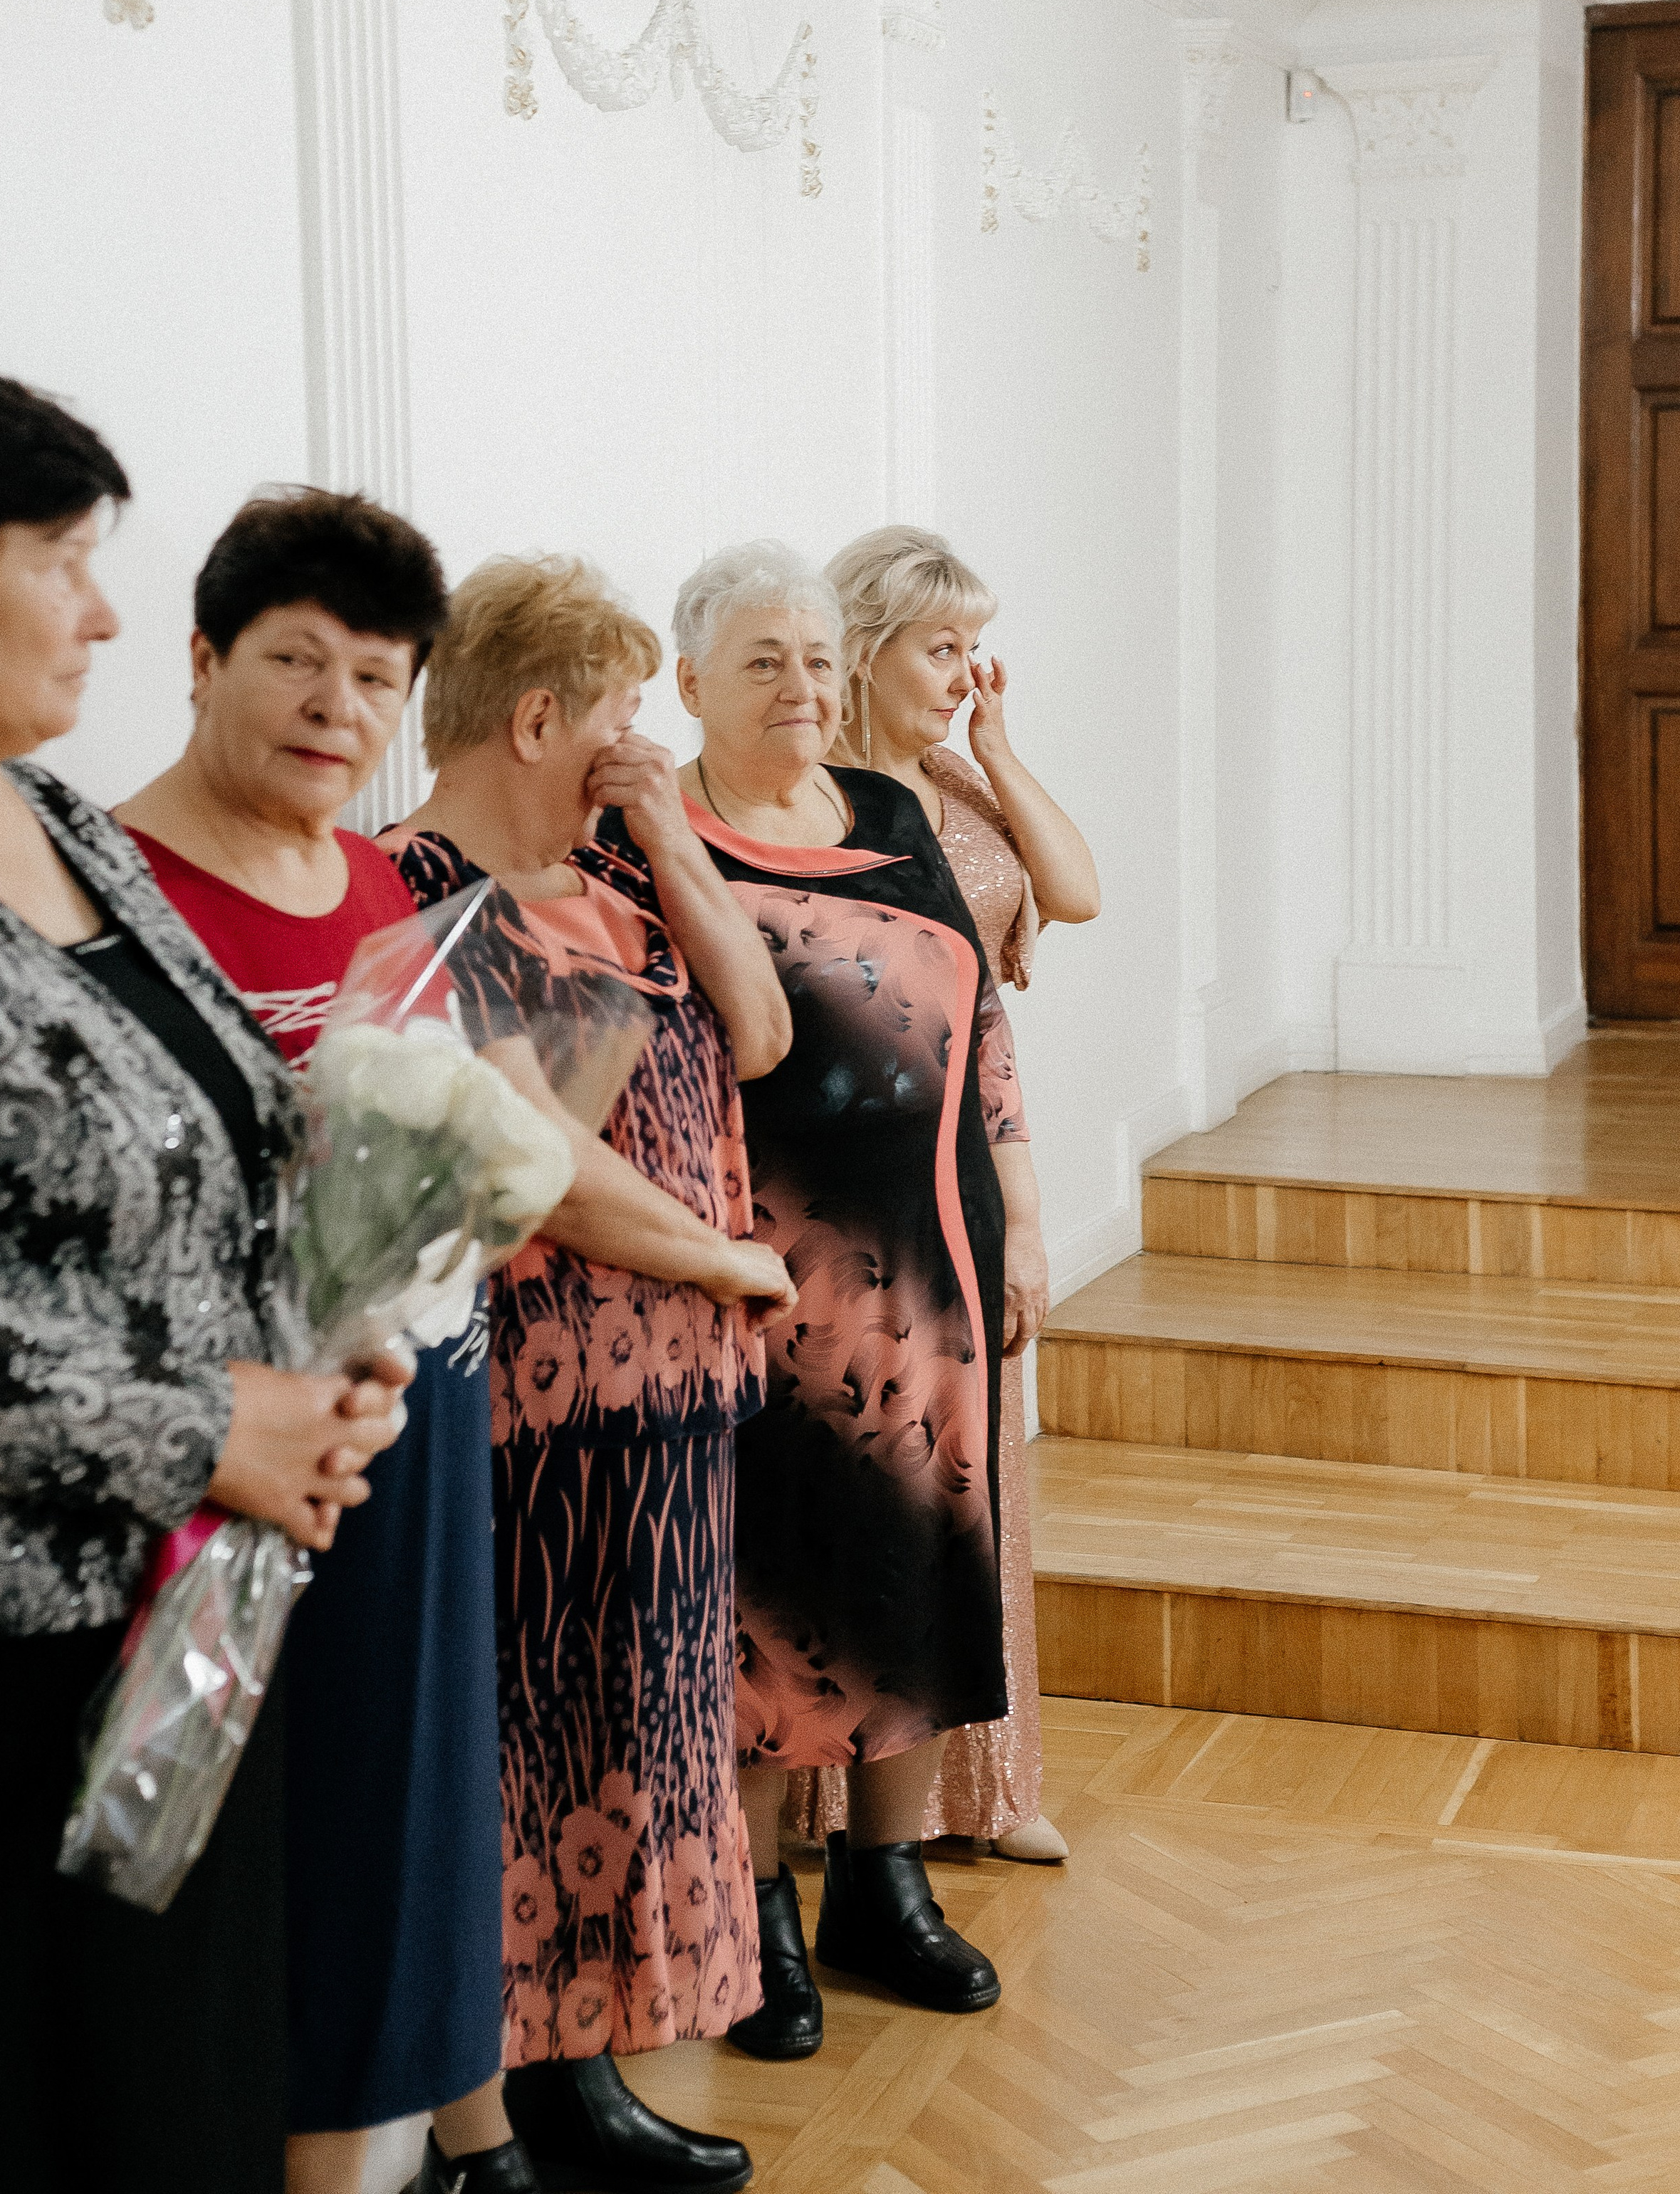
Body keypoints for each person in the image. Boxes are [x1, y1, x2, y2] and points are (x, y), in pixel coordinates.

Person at [0, 368, 405, 2194]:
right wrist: (201, 1420)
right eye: (64, 560)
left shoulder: (52, 821)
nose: (110, 613)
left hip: (184, 1624)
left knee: (182, 2092)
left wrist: (334, 1338)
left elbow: (221, 1144)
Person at [113, 489, 543, 2194]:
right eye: (295, 662)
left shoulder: (376, 876)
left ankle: (383, 2157)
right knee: (231, 1843)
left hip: (412, 1421)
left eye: (375, 682)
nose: (333, 711)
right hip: (233, 1444)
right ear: (203, 656)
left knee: (398, 1825)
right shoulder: (107, 881)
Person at [382, 554, 795, 2194]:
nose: (638, 746)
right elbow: (523, 1152)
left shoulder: (610, 875)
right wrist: (720, 1258)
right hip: (530, 1410)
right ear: (535, 714)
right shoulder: (407, 885)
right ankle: (481, 2124)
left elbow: (754, 1030)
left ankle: (585, 2077)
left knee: (628, 1749)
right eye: (621, 715)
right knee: (519, 1751)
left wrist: (672, 834)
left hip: (667, 1410)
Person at [654, 540, 1011, 2067]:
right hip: (760, 1270)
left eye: (813, 658)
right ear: (687, 686)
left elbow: (978, 1020)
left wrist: (1025, 1215)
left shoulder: (888, 812)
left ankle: (888, 1878)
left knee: (919, 1558)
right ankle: (760, 1913)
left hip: (931, 1251)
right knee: (767, 1589)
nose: (799, 687)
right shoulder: (655, 834)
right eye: (760, 662)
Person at [822, 523, 1100, 1867]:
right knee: (871, 1470)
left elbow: (1076, 891)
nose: (964, 668)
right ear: (867, 650)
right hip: (862, 1164)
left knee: (984, 1464)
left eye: (972, 645)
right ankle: (846, 1795)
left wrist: (991, 748)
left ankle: (992, 1787)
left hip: (985, 1144)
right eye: (941, 647)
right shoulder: (812, 795)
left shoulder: (953, 778)